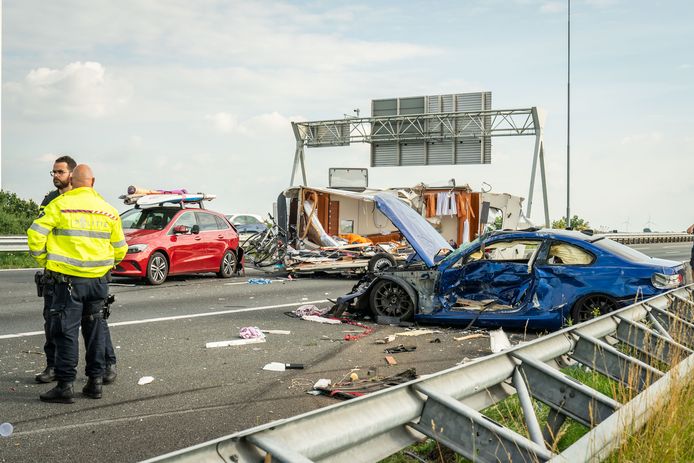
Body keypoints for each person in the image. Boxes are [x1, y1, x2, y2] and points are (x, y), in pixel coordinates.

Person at [28, 164, 127, 403]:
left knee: (66, 332)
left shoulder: (60, 205)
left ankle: (65, 385)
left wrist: (46, 259)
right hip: (98, 283)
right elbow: (121, 249)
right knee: (95, 331)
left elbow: (35, 234)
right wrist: (106, 265)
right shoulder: (109, 211)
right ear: (93, 181)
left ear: (72, 180)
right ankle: (95, 383)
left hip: (68, 282)